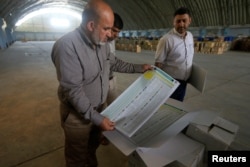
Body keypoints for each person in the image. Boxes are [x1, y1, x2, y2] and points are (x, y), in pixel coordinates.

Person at [51, 0, 152, 167]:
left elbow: (115, 63)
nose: (110, 34)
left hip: (98, 110)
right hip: (78, 117)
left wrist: (140, 68)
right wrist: (98, 119)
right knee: (77, 158)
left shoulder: (101, 44)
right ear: (91, 25)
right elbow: (73, 91)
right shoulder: (67, 46)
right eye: (106, 29)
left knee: (91, 149)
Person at [154, 7, 194, 102]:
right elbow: (158, 64)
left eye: (184, 21)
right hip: (169, 83)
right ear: (173, 22)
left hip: (184, 82)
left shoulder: (190, 36)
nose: (181, 24)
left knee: (178, 106)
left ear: (189, 21)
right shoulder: (166, 39)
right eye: (178, 21)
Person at [106, 12, 123, 106]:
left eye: (118, 32)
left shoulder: (111, 40)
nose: (116, 35)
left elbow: (114, 61)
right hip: (98, 83)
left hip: (111, 79)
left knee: (114, 107)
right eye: (114, 30)